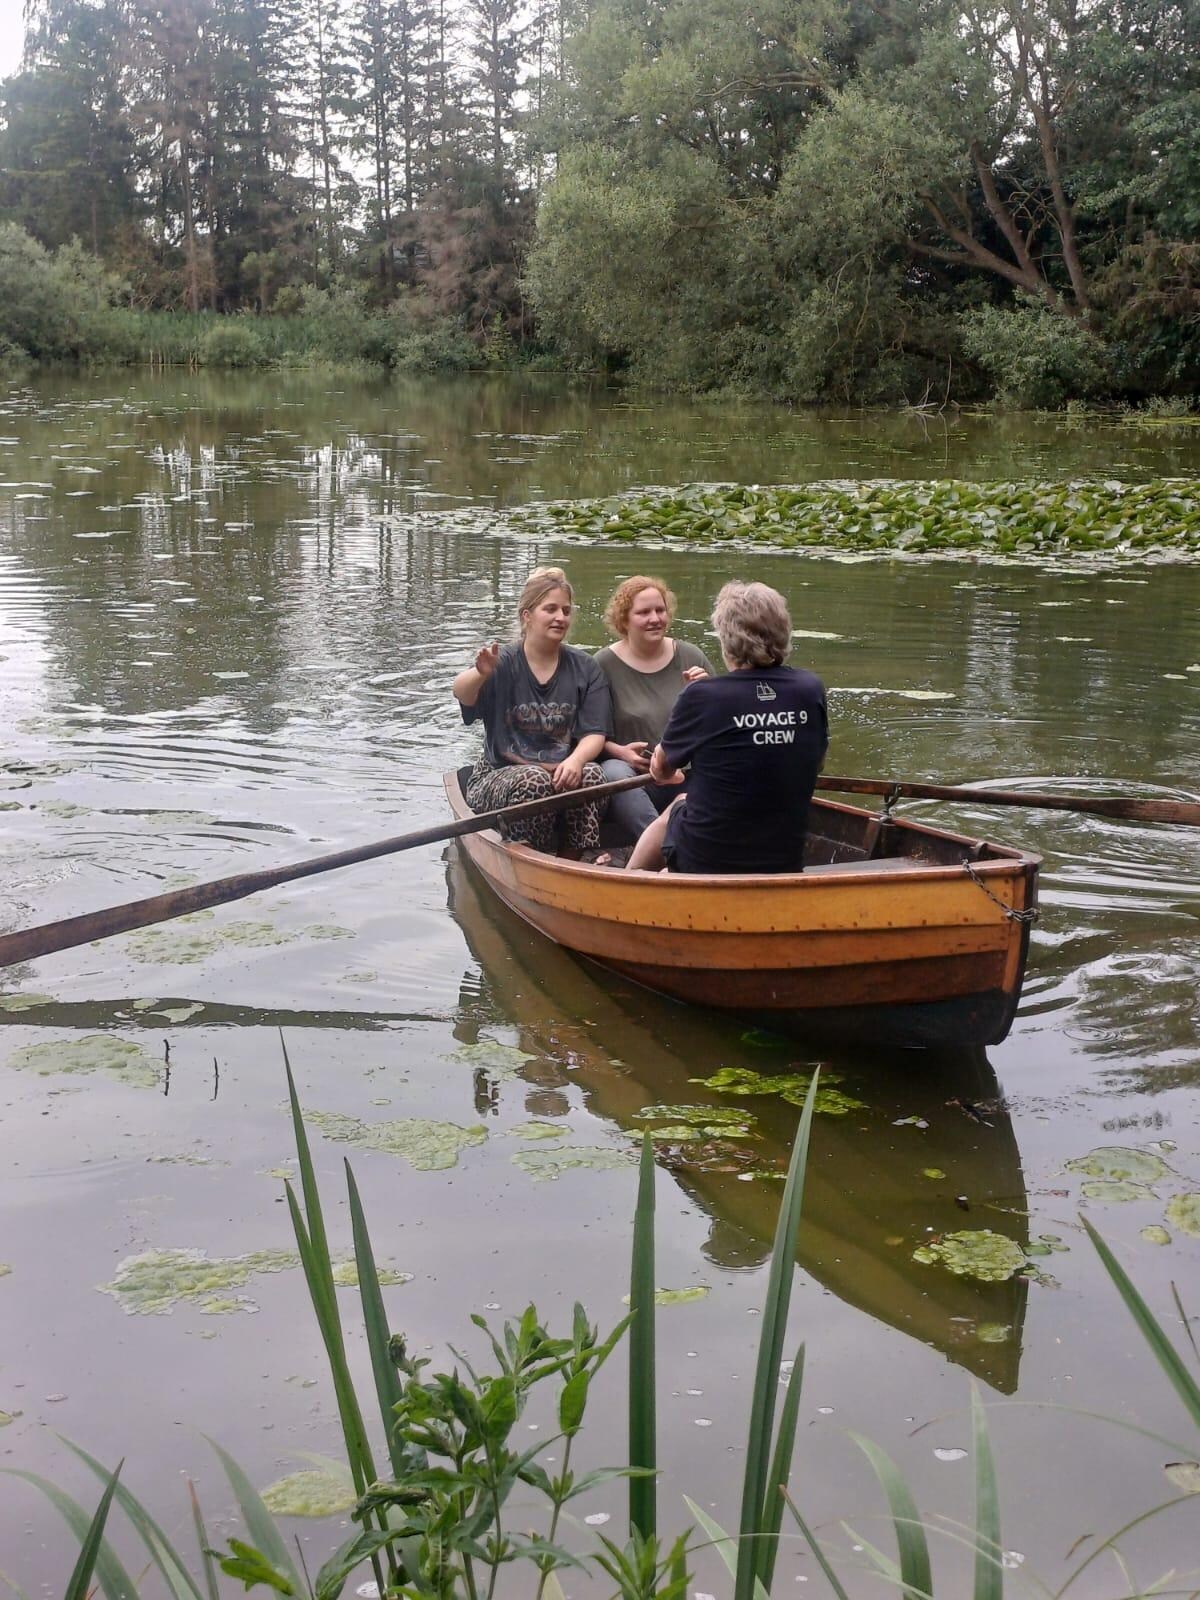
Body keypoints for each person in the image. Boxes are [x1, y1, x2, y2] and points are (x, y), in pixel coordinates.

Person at [626, 581, 828, 875]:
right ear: (783, 632)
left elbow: (662, 770)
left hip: (707, 861)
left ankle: (631, 880)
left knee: (679, 803)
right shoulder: (810, 688)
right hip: (783, 861)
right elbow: (816, 763)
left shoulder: (703, 695)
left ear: (728, 637)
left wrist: (692, 713)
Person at [453, 567, 611, 857]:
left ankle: (573, 860)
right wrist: (480, 674)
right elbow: (461, 691)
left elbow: (594, 734)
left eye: (565, 610)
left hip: (561, 770)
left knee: (592, 775)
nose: (560, 617)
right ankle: (531, 858)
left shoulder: (585, 668)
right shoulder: (503, 661)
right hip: (499, 773)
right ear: (527, 616)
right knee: (533, 780)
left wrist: (576, 760)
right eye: (550, 609)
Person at [595, 575, 716, 840]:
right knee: (614, 772)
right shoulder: (602, 664)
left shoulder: (691, 656)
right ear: (624, 619)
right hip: (633, 779)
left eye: (660, 610)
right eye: (644, 612)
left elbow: (724, 725)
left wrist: (709, 693)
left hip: (684, 774)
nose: (655, 618)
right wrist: (620, 752)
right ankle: (664, 849)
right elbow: (586, 733)